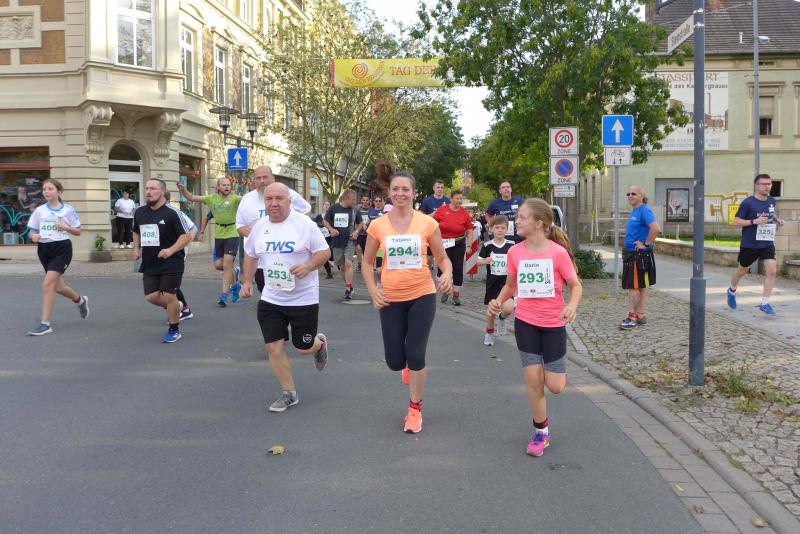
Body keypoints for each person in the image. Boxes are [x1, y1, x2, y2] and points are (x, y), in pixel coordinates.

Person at [488, 198, 582, 457]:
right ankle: (541, 432)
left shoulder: (557, 253)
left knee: (555, 386)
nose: (516, 221)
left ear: (539, 223)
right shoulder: (515, 252)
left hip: (553, 324)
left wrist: (571, 306)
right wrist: (498, 301)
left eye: (522, 217)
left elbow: (575, 285)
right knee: (533, 380)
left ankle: (558, 373)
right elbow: (510, 285)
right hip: (526, 323)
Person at [361, 171, 453, 434]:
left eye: (405, 189)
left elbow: (442, 258)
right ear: (389, 192)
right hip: (390, 297)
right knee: (394, 360)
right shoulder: (378, 225)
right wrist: (373, 290)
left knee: (416, 354)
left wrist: (446, 274)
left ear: (413, 193)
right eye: (395, 189)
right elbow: (367, 263)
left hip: (422, 294)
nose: (400, 193)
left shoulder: (427, 223)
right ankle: (405, 367)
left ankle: (414, 409)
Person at [240, 183, 331, 413]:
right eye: (269, 199)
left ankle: (318, 345)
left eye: (279, 198)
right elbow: (251, 254)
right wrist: (247, 281)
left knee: (303, 347)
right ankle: (289, 393)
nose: (274, 203)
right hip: (271, 297)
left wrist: (309, 266)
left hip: (303, 298)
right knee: (274, 347)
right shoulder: (259, 226)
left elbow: (324, 252)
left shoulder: (304, 224)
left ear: (289, 201)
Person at [25, 179, 89, 336]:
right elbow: (32, 230)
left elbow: (78, 231)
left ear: (59, 192)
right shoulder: (39, 210)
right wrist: (33, 236)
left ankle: (45, 324)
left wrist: (65, 227)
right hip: (44, 249)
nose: (46, 191)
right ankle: (80, 300)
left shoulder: (68, 210)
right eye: (44, 189)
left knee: (47, 285)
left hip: (62, 249)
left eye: (50, 188)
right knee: (59, 287)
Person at [133, 179, 194, 343]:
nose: (148, 191)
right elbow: (136, 231)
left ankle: (174, 329)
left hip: (172, 260)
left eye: (153, 188)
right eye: (147, 188)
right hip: (150, 260)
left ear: (162, 192)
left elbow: (186, 236)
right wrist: (136, 249)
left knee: (169, 295)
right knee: (151, 297)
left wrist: (170, 250)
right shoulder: (140, 212)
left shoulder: (172, 213)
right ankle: (177, 306)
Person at [236, 165, 311, 292]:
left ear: (273, 178)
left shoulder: (287, 193)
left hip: (288, 257)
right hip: (261, 261)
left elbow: (305, 210)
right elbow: (239, 225)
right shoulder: (247, 199)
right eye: (258, 178)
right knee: (265, 291)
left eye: (265, 177)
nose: (262, 181)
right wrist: (251, 234)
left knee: (289, 292)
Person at [727, 173, 785, 316]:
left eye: (769, 184)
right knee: (742, 270)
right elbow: (735, 222)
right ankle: (732, 290)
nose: (767, 186)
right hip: (750, 244)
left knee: (772, 271)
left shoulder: (772, 200)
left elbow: (770, 213)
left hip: (767, 242)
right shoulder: (748, 203)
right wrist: (754, 221)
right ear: (756, 185)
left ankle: (764, 303)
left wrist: (777, 220)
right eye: (764, 184)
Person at [177, 177, 242, 307]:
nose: (227, 187)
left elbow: (249, 199)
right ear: (218, 187)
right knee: (219, 265)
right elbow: (191, 197)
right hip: (219, 235)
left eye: (228, 185)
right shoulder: (211, 198)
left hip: (232, 233)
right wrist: (183, 190)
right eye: (223, 185)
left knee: (227, 264)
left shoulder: (235, 198)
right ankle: (235, 284)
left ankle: (224, 295)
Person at [619, 185, 660, 330]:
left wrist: (646, 244)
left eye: (633, 193)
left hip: (636, 255)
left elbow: (655, 228)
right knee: (640, 286)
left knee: (633, 287)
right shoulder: (635, 211)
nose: (630, 196)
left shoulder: (644, 210)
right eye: (628, 193)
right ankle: (641, 315)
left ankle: (632, 318)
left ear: (641, 196)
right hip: (632, 254)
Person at [477, 215, 514, 346]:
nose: (500, 230)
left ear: (507, 230)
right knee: (492, 312)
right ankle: (489, 332)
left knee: (509, 308)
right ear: (491, 229)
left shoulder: (511, 245)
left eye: (503, 228)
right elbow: (477, 262)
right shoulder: (487, 245)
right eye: (497, 227)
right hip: (492, 284)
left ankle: (502, 318)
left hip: (507, 284)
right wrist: (485, 261)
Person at [433, 189, 474, 306]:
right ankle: (446, 290)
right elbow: (432, 225)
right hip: (444, 243)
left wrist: (469, 245)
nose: (460, 201)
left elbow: (469, 230)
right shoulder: (442, 210)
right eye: (457, 198)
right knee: (443, 268)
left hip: (458, 243)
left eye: (461, 199)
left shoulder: (464, 213)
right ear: (451, 199)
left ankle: (456, 295)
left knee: (457, 268)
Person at [323, 189, 362, 300]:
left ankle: (348, 289)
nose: (354, 202)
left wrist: (356, 232)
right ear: (346, 198)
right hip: (337, 241)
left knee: (349, 264)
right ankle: (349, 285)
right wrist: (331, 229)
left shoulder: (355, 209)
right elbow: (325, 221)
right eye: (353, 199)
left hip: (350, 240)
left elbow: (360, 223)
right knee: (341, 267)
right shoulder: (334, 208)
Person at [312, 200, 334, 279]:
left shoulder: (332, 216)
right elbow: (314, 226)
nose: (326, 206)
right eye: (325, 205)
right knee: (324, 255)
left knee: (332, 256)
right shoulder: (318, 217)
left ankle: (340, 266)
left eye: (328, 205)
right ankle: (329, 273)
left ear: (330, 207)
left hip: (331, 238)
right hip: (321, 239)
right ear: (323, 206)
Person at [355, 195, 372, 272]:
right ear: (361, 201)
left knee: (367, 251)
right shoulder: (358, 209)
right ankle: (359, 264)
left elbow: (372, 219)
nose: (365, 202)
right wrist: (361, 226)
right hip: (360, 233)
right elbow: (355, 220)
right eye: (364, 200)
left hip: (369, 233)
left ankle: (367, 264)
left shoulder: (371, 210)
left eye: (366, 200)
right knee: (358, 248)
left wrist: (366, 224)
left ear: (369, 201)